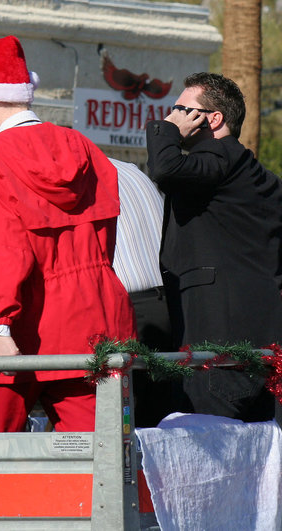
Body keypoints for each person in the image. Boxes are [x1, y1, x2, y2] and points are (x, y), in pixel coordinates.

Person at [0, 35, 135, 433]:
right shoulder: (85, 147)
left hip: (22, 323)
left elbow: (0, 248)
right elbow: (105, 237)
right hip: (94, 319)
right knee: (102, 463)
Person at [146, 71, 282, 422]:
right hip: (257, 346)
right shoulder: (258, 174)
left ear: (213, 118)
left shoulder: (218, 158)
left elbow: (165, 168)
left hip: (215, 349)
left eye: (181, 109)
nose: (172, 115)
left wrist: (167, 131)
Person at [108, 157, 173, 427]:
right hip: (167, 302)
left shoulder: (91, 175)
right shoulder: (130, 170)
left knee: (132, 419)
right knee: (164, 416)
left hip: (133, 307)